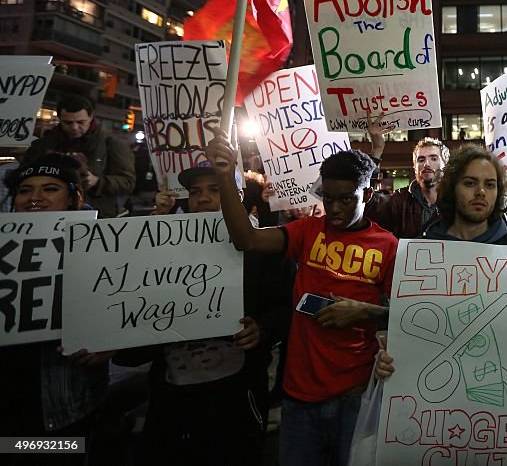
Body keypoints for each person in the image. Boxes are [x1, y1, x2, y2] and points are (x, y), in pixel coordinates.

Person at [205, 130, 397, 466]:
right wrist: (224, 178)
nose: (334, 209)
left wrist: (363, 312)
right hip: (298, 395)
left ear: (368, 191)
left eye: (347, 199)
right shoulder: (308, 230)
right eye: (328, 197)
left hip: (354, 395)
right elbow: (246, 239)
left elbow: (408, 316)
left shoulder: (388, 245)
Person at [117, 162, 292, 466]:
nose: (203, 198)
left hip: (236, 395)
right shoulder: (158, 250)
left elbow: (285, 307)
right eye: (195, 192)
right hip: (170, 396)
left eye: (215, 189)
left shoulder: (261, 248)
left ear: (238, 195)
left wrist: (262, 330)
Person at [373, 145, 507, 393]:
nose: (481, 192)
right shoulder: (419, 256)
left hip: (505, 406)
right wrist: (387, 361)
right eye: (470, 183)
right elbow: (407, 330)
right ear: (451, 188)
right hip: (433, 407)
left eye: (490, 185)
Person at [0, 154, 112, 464]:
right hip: (8, 405)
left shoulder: (105, 245)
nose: (34, 198)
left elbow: (125, 312)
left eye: (49, 188)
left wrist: (111, 342)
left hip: (63, 408)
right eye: (24, 190)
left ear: (75, 197)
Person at [21, 95, 135, 217]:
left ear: (91, 117)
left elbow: (127, 182)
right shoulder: (43, 145)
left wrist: (97, 182)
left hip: (94, 213)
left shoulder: (111, 144)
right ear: (59, 118)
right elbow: (22, 175)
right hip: (47, 212)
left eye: (81, 122)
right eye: (68, 123)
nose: (74, 127)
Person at [365, 121, 449, 239]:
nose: (426, 164)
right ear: (414, 167)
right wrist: (377, 151)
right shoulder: (400, 201)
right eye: (421, 160)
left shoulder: (457, 201)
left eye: (434, 158)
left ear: (445, 165)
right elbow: (368, 206)